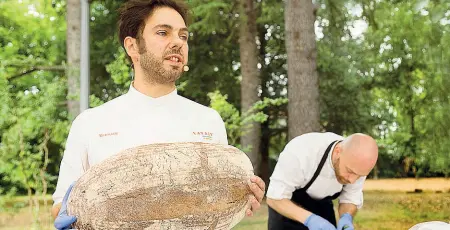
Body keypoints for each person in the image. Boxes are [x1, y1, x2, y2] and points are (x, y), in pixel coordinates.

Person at [52, 0, 265, 229]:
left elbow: (214, 207)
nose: (178, 42)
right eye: (163, 32)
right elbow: (62, 206)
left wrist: (240, 198)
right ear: (132, 46)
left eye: (183, 36)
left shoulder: (208, 121)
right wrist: (68, 217)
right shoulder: (91, 123)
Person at [266, 132, 378, 230]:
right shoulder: (301, 152)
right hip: (287, 209)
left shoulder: (359, 164)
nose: (352, 180)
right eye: (350, 171)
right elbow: (274, 198)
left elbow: (350, 197)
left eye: (360, 176)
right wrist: (310, 220)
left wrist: (346, 217)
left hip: (323, 207)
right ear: (338, 152)